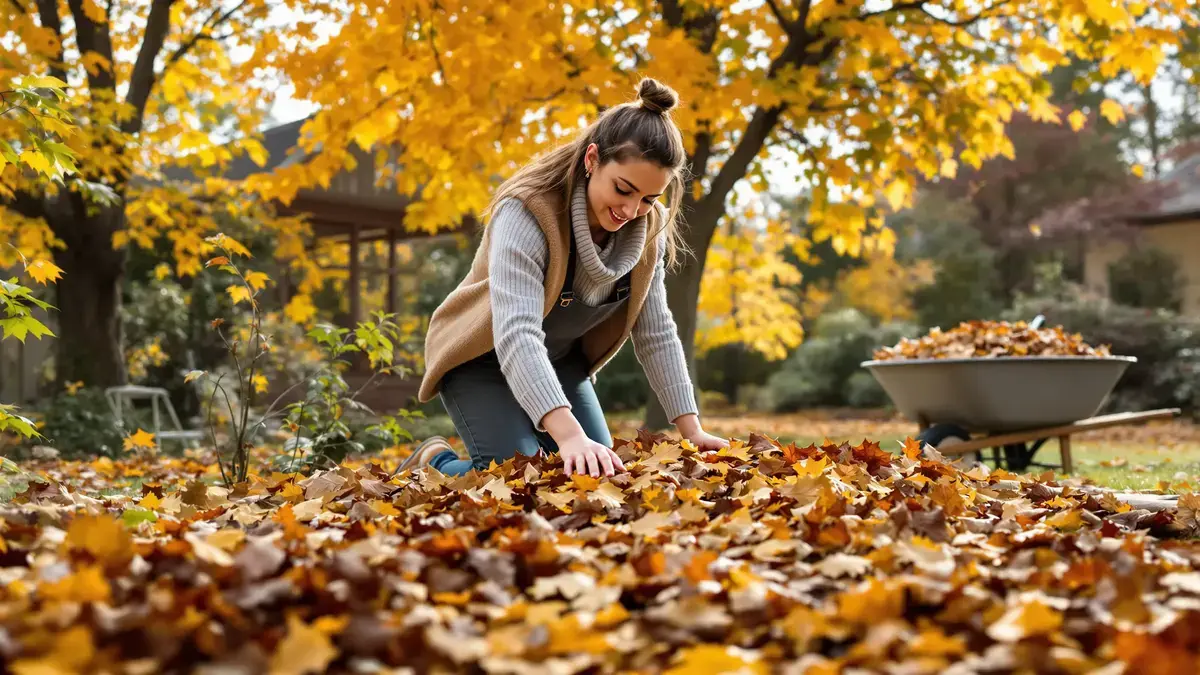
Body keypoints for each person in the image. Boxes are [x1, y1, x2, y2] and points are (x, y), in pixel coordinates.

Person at [400, 77, 729, 478]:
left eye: (648, 198)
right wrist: (569, 434)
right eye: (623, 189)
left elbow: (656, 330)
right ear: (592, 160)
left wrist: (690, 429)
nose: (631, 209)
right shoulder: (526, 213)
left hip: (557, 361)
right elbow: (517, 331)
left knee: (594, 473)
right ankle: (435, 463)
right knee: (520, 476)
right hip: (480, 357)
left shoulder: (646, 230)